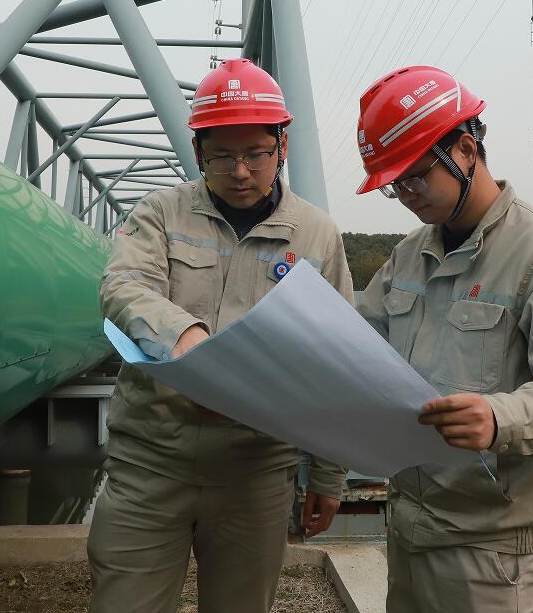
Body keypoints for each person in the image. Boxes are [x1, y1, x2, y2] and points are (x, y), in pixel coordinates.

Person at [89, 58, 352, 613]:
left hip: (255, 470)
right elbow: (124, 287)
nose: (240, 171)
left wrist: (329, 477)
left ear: (283, 145)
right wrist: (187, 342)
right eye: (221, 155)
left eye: (256, 153)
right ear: (198, 151)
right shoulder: (161, 213)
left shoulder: (315, 235)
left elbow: (337, 355)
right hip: (151, 460)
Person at [353, 65, 533, 613]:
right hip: (409, 532)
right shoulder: (409, 255)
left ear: (466, 149)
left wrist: (499, 418)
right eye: (394, 185)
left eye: (415, 176)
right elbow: (358, 346)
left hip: (494, 556)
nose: (406, 195)